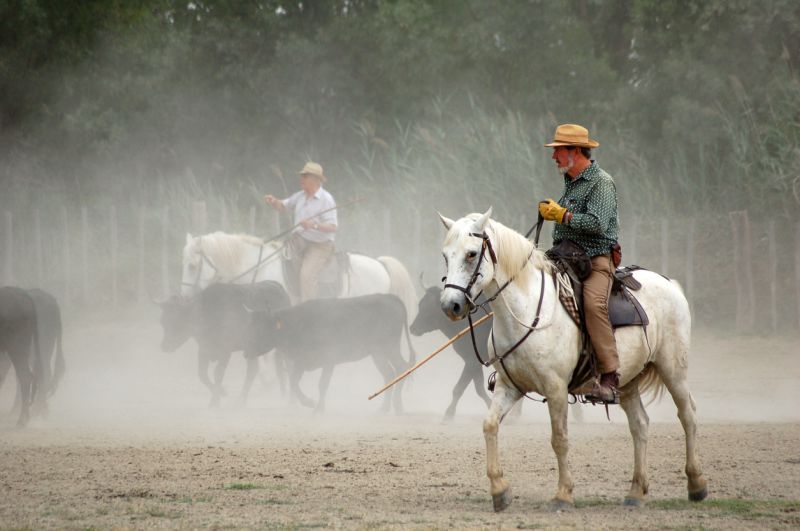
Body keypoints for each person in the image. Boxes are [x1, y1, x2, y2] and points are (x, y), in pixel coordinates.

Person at [539, 123, 621, 404]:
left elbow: (598, 224)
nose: (554, 158)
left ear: (575, 151)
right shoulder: (571, 182)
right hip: (567, 259)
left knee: (592, 304)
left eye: (558, 151)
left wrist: (561, 215)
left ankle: (610, 376)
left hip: (596, 261)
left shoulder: (602, 182)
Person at [264, 161, 338, 301]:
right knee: (276, 260)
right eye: (302, 176)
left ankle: (308, 310)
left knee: (307, 276)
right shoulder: (300, 196)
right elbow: (283, 207)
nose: (301, 179)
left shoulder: (326, 199)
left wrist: (313, 225)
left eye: (305, 176)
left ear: (316, 180)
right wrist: (274, 202)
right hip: (298, 242)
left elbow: (333, 227)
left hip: (320, 246)